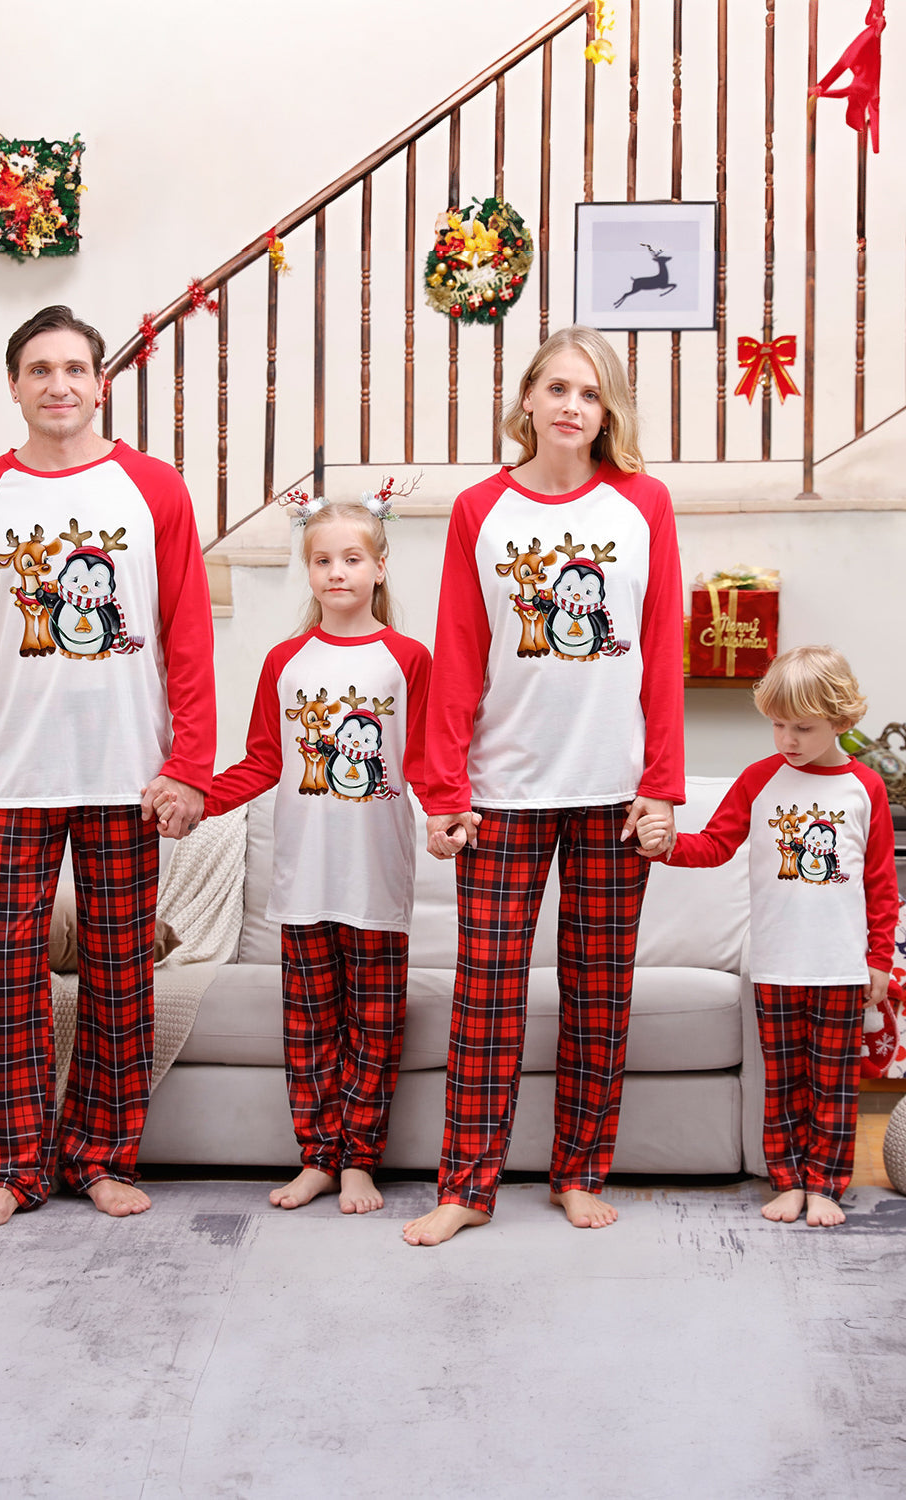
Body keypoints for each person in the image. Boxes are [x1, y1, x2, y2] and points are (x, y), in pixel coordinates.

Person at [0, 304, 215, 1232]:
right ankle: (9, 1169)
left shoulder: (154, 490)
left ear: (101, 383)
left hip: (131, 779)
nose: (59, 385)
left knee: (121, 973)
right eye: (40, 369)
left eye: (76, 368)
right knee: (8, 977)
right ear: (14, 386)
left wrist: (189, 766)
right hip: (11, 779)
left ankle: (101, 1157)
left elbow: (189, 642)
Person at [403, 326, 684, 1246]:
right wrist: (443, 790)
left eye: (591, 393)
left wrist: (662, 786)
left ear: (609, 412)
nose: (572, 405)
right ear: (526, 399)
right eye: (557, 387)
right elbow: (457, 655)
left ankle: (579, 1173)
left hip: (613, 790)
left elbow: (662, 660)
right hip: (502, 791)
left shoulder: (645, 504)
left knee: (599, 991)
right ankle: (466, 1185)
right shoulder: (480, 509)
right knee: (486, 992)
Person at [157, 492, 430, 1214]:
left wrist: (457, 816)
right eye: (321, 560)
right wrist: (196, 797)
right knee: (308, 1025)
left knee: (375, 1024)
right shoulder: (285, 661)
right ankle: (316, 1158)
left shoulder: (408, 659)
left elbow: (431, 762)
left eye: (351, 558)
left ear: (378, 566)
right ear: (307, 570)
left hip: (379, 878)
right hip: (304, 877)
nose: (336, 572)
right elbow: (259, 763)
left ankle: (361, 1162)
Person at [635, 645, 899, 1227]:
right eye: (778, 724)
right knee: (782, 1083)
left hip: (840, 968)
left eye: (803, 727)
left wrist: (879, 959)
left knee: (833, 1085)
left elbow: (881, 886)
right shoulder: (759, 780)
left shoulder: (866, 789)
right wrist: (668, 846)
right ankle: (787, 1181)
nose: (787, 739)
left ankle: (827, 1184)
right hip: (776, 964)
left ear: (842, 721)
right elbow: (715, 845)